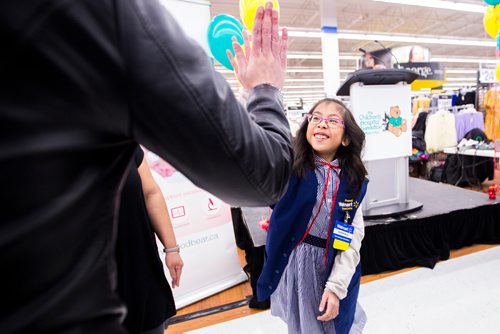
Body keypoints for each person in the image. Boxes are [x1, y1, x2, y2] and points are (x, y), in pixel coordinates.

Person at [0, 1, 292, 332]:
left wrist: (171, 249)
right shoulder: (104, 17)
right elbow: (262, 174)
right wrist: (264, 91)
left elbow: (150, 190)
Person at [257, 98, 369, 334]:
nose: (321, 124)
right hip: (299, 263)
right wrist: (281, 221)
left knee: (337, 322)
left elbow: (351, 236)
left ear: (347, 138)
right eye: (315, 117)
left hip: (332, 260)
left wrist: (337, 285)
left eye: (332, 120)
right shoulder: (293, 169)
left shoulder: (353, 182)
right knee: (305, 324)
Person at [115, 145, 183, 334]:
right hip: (95, 282)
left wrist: (172, 249)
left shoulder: (124, 144)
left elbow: (151, 192)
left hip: (142, 268)